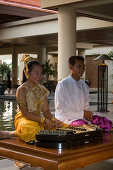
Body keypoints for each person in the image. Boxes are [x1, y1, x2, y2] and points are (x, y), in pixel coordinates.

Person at [0, 54, 63, 168]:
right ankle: (15, 136)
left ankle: (14, 134)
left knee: (60, 127)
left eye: (41, 73)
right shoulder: (22, 89)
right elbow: (24, 113)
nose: (39, 76)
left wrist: (54, 120)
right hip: (24, 119)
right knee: (32, 129)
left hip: (39, 119)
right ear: (27, 73)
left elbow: (46, 110)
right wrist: (43, 120)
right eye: (36, 73)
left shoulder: (43, 90)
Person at [55, 56, 112, 130]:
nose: (82, 69)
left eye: (83, 66)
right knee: (84, 125)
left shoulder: (84, 85)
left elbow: (86, 106)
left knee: (106, 123)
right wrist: (81, 114)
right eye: (79, 66)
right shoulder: (62, 85)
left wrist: (88, 114)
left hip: (83, 118)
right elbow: (60, 110)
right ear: (71, 67)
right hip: (67, 119)